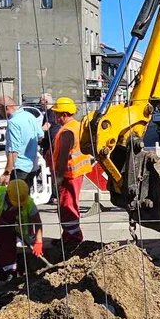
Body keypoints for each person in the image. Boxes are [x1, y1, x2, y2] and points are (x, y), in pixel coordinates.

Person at [0, 178, 43, 279]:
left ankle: (10, 273)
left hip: (7, 227)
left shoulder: (28, 202)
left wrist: (38, 241)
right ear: (7, 194)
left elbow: (37, 221)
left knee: (8, 248)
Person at [52, 97, 94, 250]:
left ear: (64, 114)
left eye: (57, 114)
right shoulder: (76, 126)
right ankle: (68, 236)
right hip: (76, 174)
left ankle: (74, 238)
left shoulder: (67, 132)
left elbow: (63, 158)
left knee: (67, 207)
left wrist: (58, 178)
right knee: (69, 206)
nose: (55, 117)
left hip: (69, 176)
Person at [0, 95, 42, 186]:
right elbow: (40, 135)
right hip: (33, 166)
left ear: (6, 108)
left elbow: (13, 151)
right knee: (25, 197)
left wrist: (7, 173)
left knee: (16, 199)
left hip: (19, 168)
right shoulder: (30, 116)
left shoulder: (13, 122)